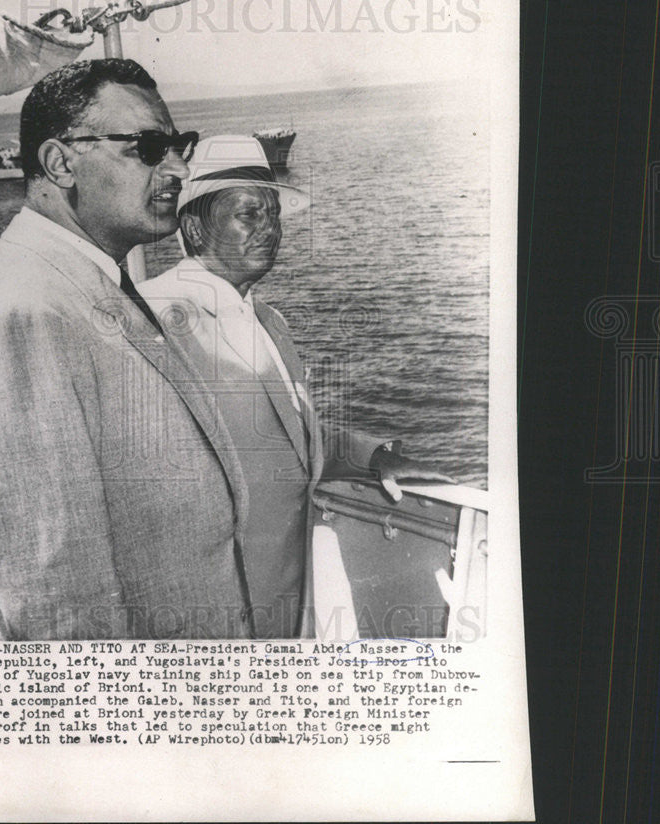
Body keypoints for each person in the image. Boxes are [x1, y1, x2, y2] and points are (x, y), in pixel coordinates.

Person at [0, 60, 258, 641]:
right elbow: (57, 607)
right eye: (150, 146)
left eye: (180, 145)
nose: (179, 168)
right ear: (61, 163)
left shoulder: (90, 283)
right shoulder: (21, 314)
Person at [139, 135, 452, 638]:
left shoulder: (268, 321)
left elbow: (290, 438)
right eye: (249, 215)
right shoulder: (155, 316)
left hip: (281, 606)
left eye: (273, 214)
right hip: (206, 616)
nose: (269, 230)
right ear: (194, 228)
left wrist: (371, 455)